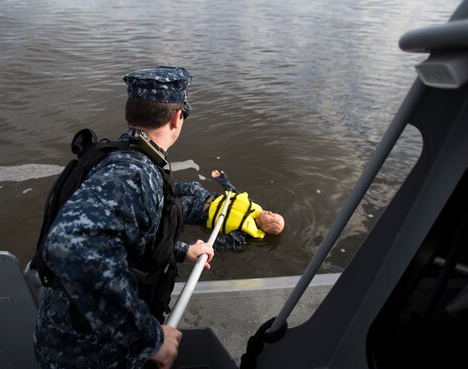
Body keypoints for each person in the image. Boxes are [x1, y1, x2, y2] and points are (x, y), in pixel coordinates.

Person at [34, 66, 215, 369]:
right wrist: (149, 339)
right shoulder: (131, 173)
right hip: (89, 354)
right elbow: (70, 245)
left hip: (75, 341)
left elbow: (129, 237)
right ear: (176, 118)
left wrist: (183, 251)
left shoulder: (119, 156)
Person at [176, 170, 285, 251]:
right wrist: (223, 180)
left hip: (197, 211)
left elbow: (217, 243)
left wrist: (193, 248)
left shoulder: (241, 236)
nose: (270, 212)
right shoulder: (254, 207)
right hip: (205, 195)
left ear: (265, 227)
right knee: (186, 186)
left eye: (271, 217)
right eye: (273, 213)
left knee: (172, 206)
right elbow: (236, 195)